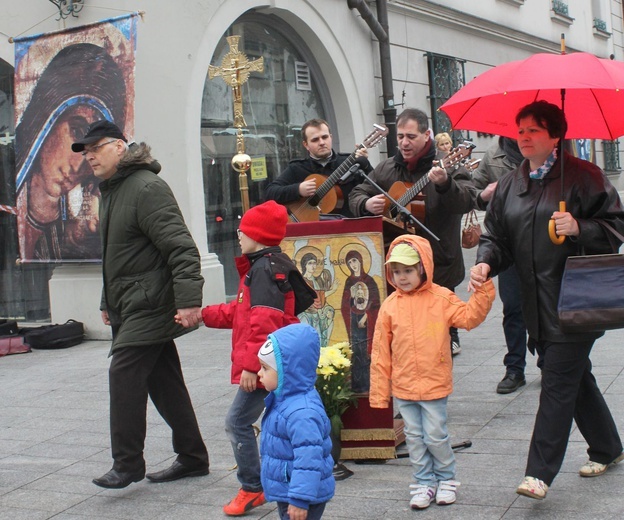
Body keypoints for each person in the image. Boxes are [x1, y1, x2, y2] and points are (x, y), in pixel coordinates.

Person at [468, 100, 624, 500]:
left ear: (556, 135)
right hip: (534, 305)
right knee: (575, 377)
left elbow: (616, 226)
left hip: (576, 301)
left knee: (556, 380)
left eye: (534, 130)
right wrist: (485, 263)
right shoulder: (509, 185)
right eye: (520, 129)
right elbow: (495, 238)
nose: (523, 136)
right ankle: (609, 447)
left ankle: (539, 472)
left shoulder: (584, 177)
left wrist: (580, 227)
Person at [71, 120, 209, 489]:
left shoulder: (146, 187)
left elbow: (181, 248)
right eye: (86, 152)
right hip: (131, 302)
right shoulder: (115, 190)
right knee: (165, 383)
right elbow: (118, 255)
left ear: (119, 146)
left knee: (124, 374)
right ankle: (193, 456)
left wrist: (189, 301)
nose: (90, 157)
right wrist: (107, 300)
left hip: (150, 303)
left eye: (95, 148)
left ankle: (127, 463)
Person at [196, 200, 316, 516]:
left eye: (243, 229)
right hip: (273, 360)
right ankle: (277, 478)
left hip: (268, 363)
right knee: (272, 422)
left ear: (258, 236)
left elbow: (263, 322)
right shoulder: (264, 266)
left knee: (237, 422)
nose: (237, 233)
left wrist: (253, 367)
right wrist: (202, 315)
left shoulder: (263, 271)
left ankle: (252, 487)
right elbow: (242, 312)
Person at [370, 236, 495, 510]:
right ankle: (423, 482)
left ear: (422, 268)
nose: (402, 278)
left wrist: (482, 289)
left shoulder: (441, 297)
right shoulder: (390, 306)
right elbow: (380, 352)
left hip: (434, 382)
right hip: (403, 386)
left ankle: (446, 478)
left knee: (436, 435)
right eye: (397, 272)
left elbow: (468, 317)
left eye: (409, 270)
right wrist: (380, 394)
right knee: (414, 437)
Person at [349, 108, 476, 356]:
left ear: (427, 134)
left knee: (438, 334)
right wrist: (365, 204)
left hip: (439, 259)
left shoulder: (447, 163)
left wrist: (445, 184)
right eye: (400, 137)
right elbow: (357, 193)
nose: (404, 143)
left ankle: (450, 337)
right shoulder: (387, 168)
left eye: (411, 136)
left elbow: (467, 200)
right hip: (401, 262)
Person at [16, 43, 127, 261]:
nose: (78, 167)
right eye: (76, 132)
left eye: (95, 148)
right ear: (47, 120)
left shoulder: (75, 228)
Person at [258, 323, 335, 520]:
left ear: (287, 371)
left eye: (265, 368)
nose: (259, 373)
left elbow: (309, 457)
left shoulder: (301, 412)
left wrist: (300, 499)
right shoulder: (286, 400)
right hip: (290, 487)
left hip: (301, 494)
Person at [472, 137, 528, 394]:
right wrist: (485, 194)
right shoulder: (494, 154)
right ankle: (515, 368)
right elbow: (473, 193)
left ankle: (549, 359)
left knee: (547, 304)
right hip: (509, 244)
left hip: (545, 243)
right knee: (514, 308)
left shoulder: (551, 152)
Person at [264, 118, 372, 218]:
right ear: (306, 145)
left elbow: (376, 186)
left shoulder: (350, 161)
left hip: (348, 227)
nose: (321, 143)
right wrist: (298, 189)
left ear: (331, 137)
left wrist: (366, 165)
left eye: (325, 137)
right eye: (315, 140)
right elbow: (270, 193)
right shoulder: (297, 168)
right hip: (311, 229)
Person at [340, 249, 380, 393]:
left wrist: (366, 315)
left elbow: (376, 303)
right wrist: (351, 297)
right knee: (356, 351)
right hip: (353, 321)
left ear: (360, 261)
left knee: (365, 352)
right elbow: (345, 305)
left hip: (366, 322)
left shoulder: (369, 281)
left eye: (354, 260)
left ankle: (368, 384)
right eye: (350, 262)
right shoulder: (349, 281)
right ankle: (357, 385)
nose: (353, 264)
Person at [299, 252, 337, 348]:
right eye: (310, 263)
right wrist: (333, 290)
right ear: (305, 265)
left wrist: (328, 310)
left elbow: (321, 301)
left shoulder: (316, 282)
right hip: (304, 317)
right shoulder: (300, 281)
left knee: (317, 342)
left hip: (316, 317)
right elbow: (315, 298)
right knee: (305, 342)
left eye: (314, 263)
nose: (313, 266)